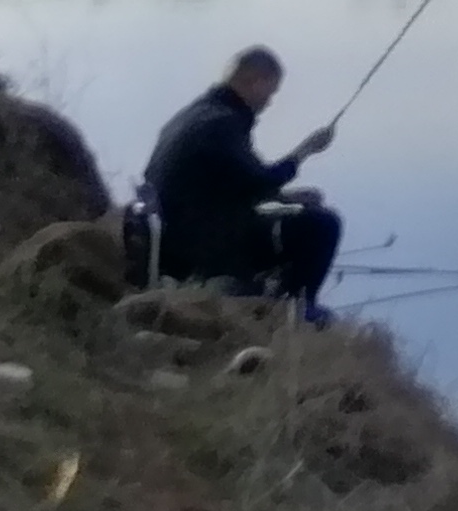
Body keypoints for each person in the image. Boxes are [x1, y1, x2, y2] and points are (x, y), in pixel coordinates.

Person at [141, 46, 345, 320]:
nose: (269, 103)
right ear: (256, 81)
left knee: (291, 218)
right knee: (321, 225)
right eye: (271, 92)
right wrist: (305, 150)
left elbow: (233, 184)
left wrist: (286, 198)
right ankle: (297, 310)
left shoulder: (190, 117)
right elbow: (260, 180)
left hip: (175, 237)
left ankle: (275, 300)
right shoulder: (222, 123)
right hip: (207, 245)